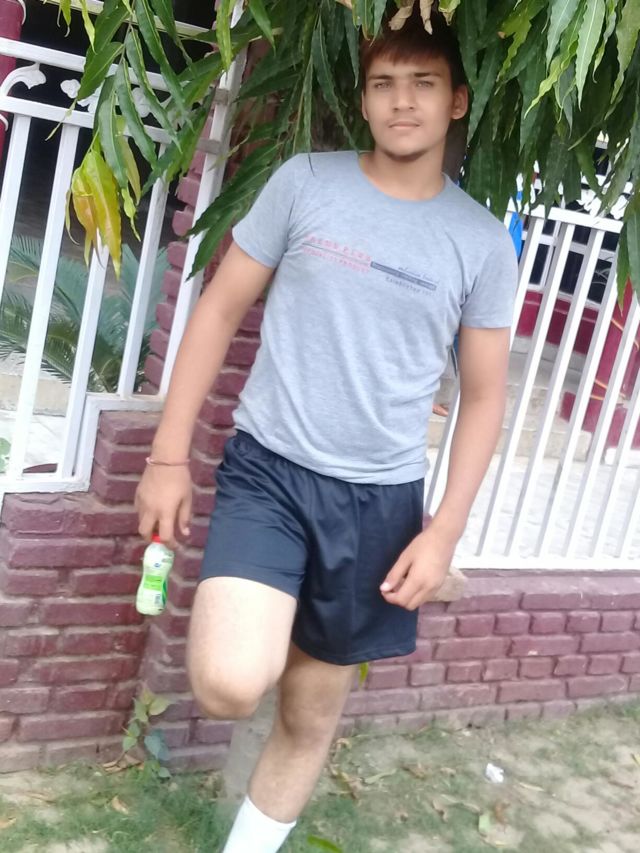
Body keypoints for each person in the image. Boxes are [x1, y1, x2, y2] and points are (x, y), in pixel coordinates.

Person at [135, 8, 518, 852]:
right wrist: (167, 456)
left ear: (456, 101)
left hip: (380, 502)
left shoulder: (482, 243)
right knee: (231, 681)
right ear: (364, 98)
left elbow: (485, 395)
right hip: (269, 473)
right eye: (384, 84)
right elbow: (219, 309)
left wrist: (443, 531)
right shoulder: (305, 183)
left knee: (309, 716)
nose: (402, 102)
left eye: (423, 84)